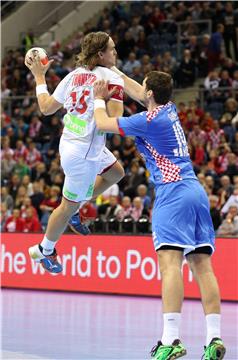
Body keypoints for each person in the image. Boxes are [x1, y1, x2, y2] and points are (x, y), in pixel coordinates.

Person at [92, 70, 226, 359]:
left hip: (172, 193)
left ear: (150, 93)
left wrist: (99, 98)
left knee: (170, 267)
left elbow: (102, 122)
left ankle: (171, 340)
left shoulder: (147, 121)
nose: (140, 90)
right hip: (196, 192)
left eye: (144, 88)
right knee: (203, 267)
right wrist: (112, 71)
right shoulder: (169, 111)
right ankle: (214, 339)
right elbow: (140, 92)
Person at [25, 32, 125, 273]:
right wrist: (101, 99)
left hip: (74, 143)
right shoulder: (111, 79)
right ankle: (44, 251)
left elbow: (46, 107)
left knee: (115, 173)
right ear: (100, 54)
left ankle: (76, 209)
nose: (115, 53)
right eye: (112, 49)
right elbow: (115, 121)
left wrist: (40, 77)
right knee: (67, 205)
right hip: (84, 154)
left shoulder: (74, 76)